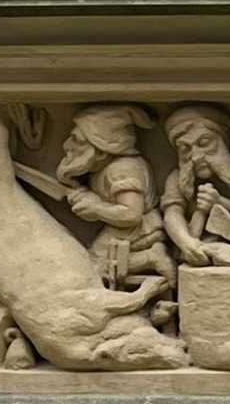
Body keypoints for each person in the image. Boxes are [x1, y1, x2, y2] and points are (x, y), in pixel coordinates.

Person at [56, 103, 173, 298]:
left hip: (140, 230)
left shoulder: (122, 169)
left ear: (102, 150)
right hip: (123, 230)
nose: (67, 145)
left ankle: (150, 257)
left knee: (92, 268)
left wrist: (96, 208)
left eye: (76, 140)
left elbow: (131, 214)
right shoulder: (103, 169)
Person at [160, 104, 230, 268]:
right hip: (199, 245)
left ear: (223, 140)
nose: (196, 156)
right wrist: (186, 243)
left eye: (204, 142)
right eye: (185, 149)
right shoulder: (176, 177)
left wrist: (219, 202)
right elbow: (172, 214)